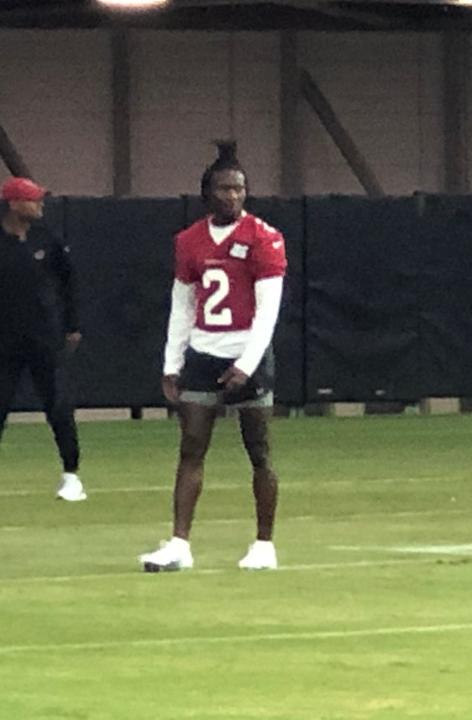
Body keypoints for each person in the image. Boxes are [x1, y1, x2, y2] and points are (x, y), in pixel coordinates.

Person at [140, 142, 287, 572]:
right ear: (207, 193)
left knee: (258, 450)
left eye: (239, 189)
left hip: (247, 353)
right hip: (204, 352)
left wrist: (248, 361)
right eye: (224, 189)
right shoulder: (189, 242)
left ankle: (264, 544)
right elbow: (182, 306)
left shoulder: (263, 238)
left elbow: (268, 309)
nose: (233, 197)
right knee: (191, 447)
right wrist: (172, 363)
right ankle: (179, 544)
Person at [0, 177, 86, 503]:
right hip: (5, 340)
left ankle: (71, 477)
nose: (39, 205)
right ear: (13, 204)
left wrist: (72, 325)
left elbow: (69, 284)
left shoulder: (47, 240)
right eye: (33, 199)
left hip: (45, 338)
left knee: (58, 408)